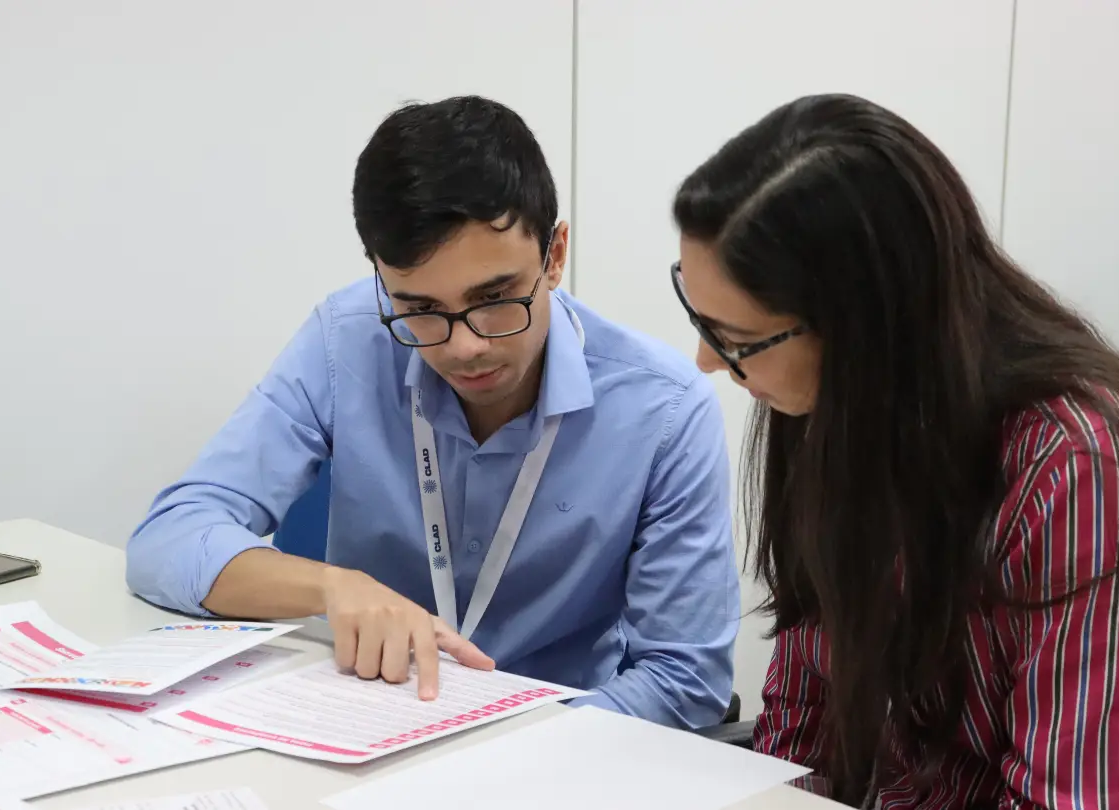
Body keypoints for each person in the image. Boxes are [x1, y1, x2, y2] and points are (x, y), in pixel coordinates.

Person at [126, 95, 739, 729]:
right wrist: (334, 588)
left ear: (555, 256)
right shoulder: (346, 339)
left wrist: (496, 752)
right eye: (420, 309)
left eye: (495, 298)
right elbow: (171, 537)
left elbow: (686, 678)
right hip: (361, 727)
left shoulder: (664, 409)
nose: (465, 346)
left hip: (558, 740)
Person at [670, 94, 1119, 808]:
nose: (706, 362)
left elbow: (1081, 794)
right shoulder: (828, 411)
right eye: (702, 320)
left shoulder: (1074, 468)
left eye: (736, 340)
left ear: (865, 331)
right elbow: (804, 719)